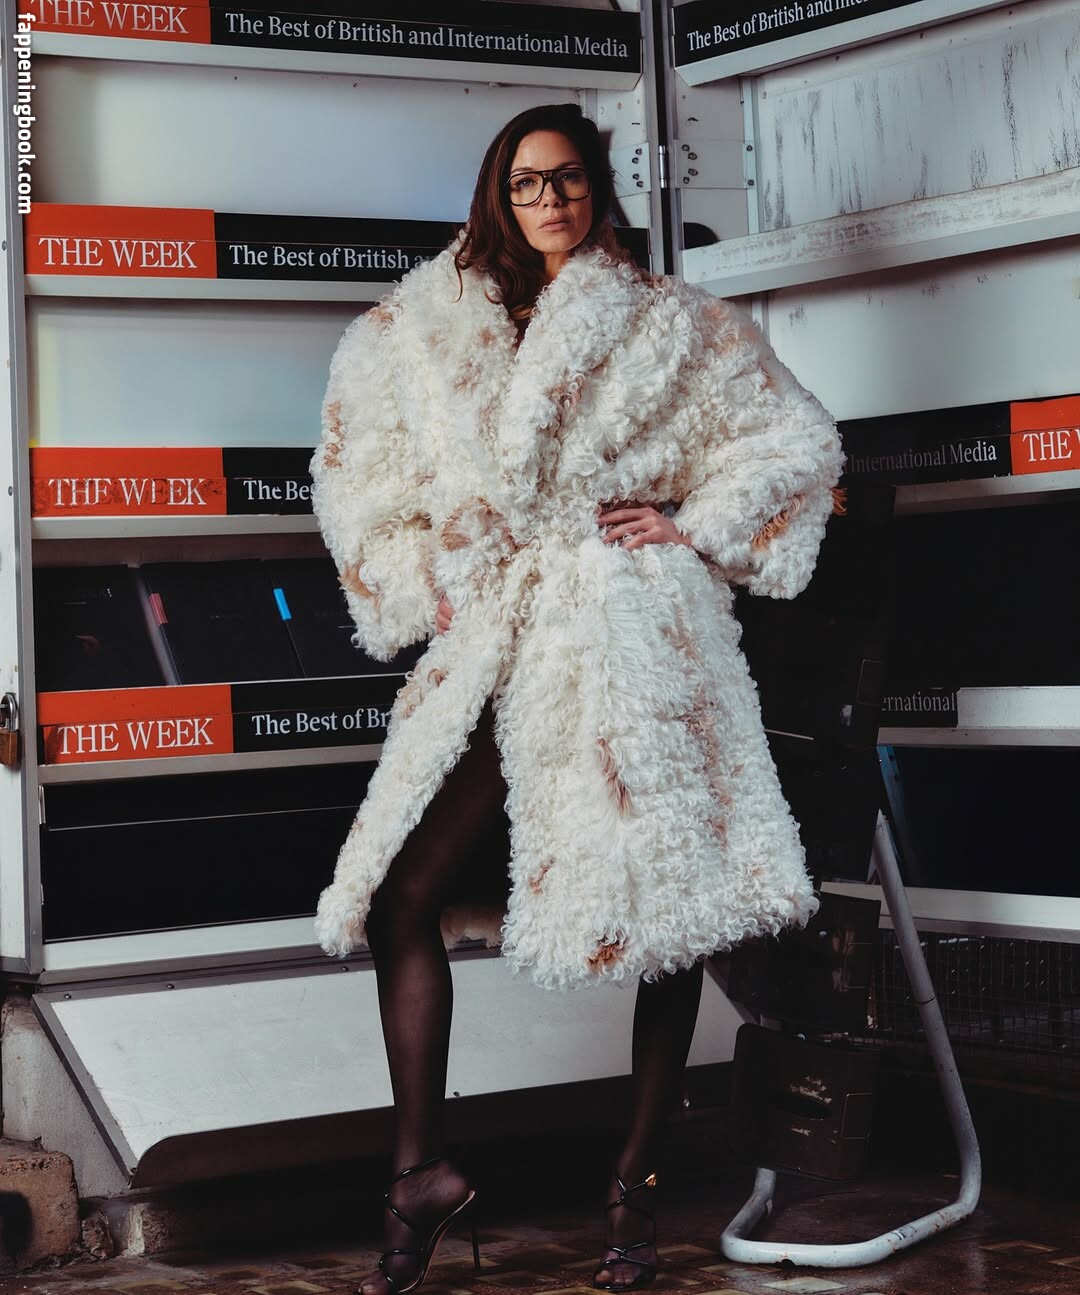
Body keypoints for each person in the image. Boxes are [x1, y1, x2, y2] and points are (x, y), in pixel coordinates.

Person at [310, 103, 844, 1295]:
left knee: (667, 905)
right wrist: (432, 578)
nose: (548, 202)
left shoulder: (668, 320)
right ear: (497, 197)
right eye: (525, 184)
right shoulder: (430, 325)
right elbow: (359, 476)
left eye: (566, 180)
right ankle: (418, 1174)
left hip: (628, 629)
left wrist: (690, 522)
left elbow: (796, 441)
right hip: (504, 629)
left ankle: (636, 1184)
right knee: (402, 894)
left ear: (599, 188)